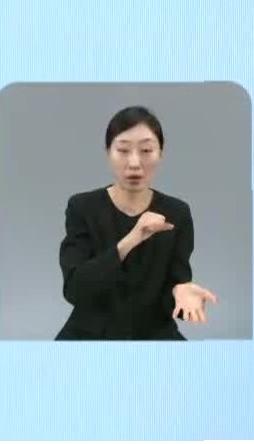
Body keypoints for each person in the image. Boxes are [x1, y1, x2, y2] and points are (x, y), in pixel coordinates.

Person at [56, 106, 218, 340]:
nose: (134, 163)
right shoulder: (83, 207)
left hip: (154, 334)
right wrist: (131, 240)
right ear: (108, 152)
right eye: (123, 150)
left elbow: (173, 297)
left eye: (146, 150)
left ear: (160, 153)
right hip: (91, 334)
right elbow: (74, 290)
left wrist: (180, 292)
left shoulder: (177, 213)